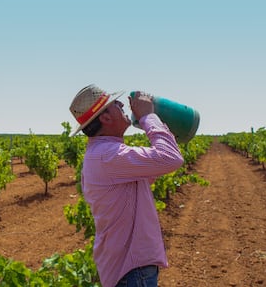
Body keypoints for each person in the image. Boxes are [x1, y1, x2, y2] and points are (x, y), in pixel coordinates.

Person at [69, 84, 184, 287]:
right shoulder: (108, 156)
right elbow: (171, 159)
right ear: (105, 118)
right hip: (133, 272)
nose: (122, 104)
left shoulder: (106, 153)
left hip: (131, 270)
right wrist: (148, 116)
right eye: (115, 104)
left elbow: (154, 170)